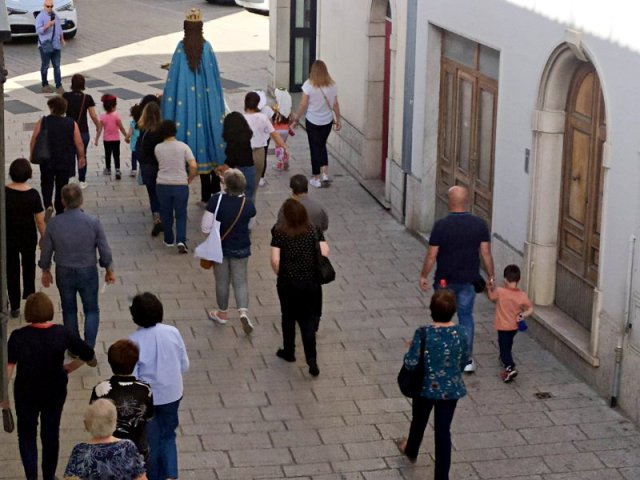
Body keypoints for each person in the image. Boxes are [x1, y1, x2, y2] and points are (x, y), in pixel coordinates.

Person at [1, 292, 96, 480]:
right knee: (50, 434)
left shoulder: (19, 336)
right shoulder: (62, 333)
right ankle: (49, 476)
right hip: (54, 391)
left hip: (26, 393)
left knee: (26, 436)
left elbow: (8, 369)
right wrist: (70, 367)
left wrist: (4, 399)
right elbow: (88, 354)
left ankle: (31, 477)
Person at [419, 185, 495, 373]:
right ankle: (466, 359)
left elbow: (431, 255)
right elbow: (486, 253)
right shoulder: (479, 224)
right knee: (466, 317)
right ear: (466, 200)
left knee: (442, 318)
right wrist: (491, 276)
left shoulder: (441, 225)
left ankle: (440, 355)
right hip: (468, 280)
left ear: (449, 202)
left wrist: (424, 275)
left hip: (445, 280)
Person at [396, 289, 468, 479]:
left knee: (419, 419)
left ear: (431, 310)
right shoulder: (461, 332)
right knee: (443, 432)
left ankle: (411, 449)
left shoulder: (423, 333)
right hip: (451, 390)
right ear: (453, 311)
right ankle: (442, 476)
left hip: (424, 388)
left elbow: (411, 363)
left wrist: (411, 349)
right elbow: (464, 359)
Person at [38, 183, 116, 348]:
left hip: (63, 270)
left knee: (69, 309)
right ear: (81, 200)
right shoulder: (93, 222)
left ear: (62, 201)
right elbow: (104, 249)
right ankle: (88, 346)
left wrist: (45, 269)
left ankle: (73, 347)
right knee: (91, 309)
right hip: (87, 269)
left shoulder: (54, 224)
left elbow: (46, 250)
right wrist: (109, 269)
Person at [162, 8, 225, 207]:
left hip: (186, 109)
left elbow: (172, 83)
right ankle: (212, 195)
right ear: (200, 27)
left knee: (197, 147)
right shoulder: (207, 48)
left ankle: (205, 197)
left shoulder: (180, 50)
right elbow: (215, 80)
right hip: (207, 107)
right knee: (210, 142)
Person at [129, 292, 189, 480]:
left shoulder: (134, 341)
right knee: (169, 435)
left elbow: (133, 377)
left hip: (149, 400)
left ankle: (154, 476)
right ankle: (171, 474)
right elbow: (184, 364)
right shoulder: (173, 332)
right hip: (172, 393)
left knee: (151, 441)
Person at [270, 198, 329, 377]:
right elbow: (325, 251)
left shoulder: (279, 233)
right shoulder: (313, 230)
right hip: (310, 282)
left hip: (288, 283)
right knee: (308, 321)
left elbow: (275, 259)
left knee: (288, 317)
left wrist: (281, 274)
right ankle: (312, 360)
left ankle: (289, 351)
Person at [204, 169, 257, 334]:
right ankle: (243, 312)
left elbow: (205, 227)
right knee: (240, 282)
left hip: (219, 248)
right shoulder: (248, 204)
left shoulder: (216, 201)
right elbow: (250, 226)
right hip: (241, 247)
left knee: (222, 281)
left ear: (225, 184)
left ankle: (222, 313)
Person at [90, 340, 154, 459]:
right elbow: (149, 416)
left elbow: (94, 416)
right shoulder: (145, 389)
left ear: (110, 362)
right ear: (135, 363)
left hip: (108, 446)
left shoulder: (100, 389)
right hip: (137, 446)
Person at [30, 95, 85, 217]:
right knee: (62, 184)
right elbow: (79, 142)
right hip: (64, 159)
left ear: (52, 108)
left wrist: (32, 154)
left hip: (46, 158)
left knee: (46, 182)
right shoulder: (71, 123)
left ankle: (48, 204)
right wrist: (81, 157)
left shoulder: (43, 121)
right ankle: (59, 209)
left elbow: (34, 138)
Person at [64, 399, 147, 480]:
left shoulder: (80, 450)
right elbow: (141, 478)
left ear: (88, 424)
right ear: (114, 421)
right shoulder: (127, 447)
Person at [5, 158, 45, 319]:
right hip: (28, 237)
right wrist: (44, 238)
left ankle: (14, 306)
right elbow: (40, 220)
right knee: (29, 269)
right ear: (29, 174)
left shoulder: (4, 192)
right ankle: (30, 302)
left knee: (11, 271)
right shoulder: (33, 194)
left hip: (9, 238)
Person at [292, 60, 341, 188]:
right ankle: (324, 173)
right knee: (322, 145)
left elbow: (303, 104)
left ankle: (316, 177)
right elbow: (335, 104)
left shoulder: (308, 85)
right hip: (327, 121)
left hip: (313, 121)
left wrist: (297, 118)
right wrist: (338, 119)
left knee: (314, 148)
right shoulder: (332, 85)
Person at [154, 119, 198, 253]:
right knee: (181, 213)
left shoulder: (158, 148)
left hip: (162, 184)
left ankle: (168, 239)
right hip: (180, 184)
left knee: (166, 213)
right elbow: (193, 165)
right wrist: (190, 177)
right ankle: (181, 240)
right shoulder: (183, 147)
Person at [486, 264, 534, 383]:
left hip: (502, 326)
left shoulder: (500, 291)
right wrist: (522, 315)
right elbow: (530, 308)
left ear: (505, 279)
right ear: (519, 280)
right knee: (508, 343)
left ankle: (509, 367)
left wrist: (489, 287)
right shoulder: (522, 295)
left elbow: (491, 297)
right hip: (514, 326)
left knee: (504, 347)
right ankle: (504, 359)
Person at [243, 91, 289, 197]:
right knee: (254, 188)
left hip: (245, 153)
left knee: (243, 184)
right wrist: (285, 147)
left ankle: (242, 205)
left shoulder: (241, 118)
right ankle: (250, 204)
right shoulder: (263, 118)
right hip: (259, 152)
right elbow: (275, 134)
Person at [63, 74, 100, 189]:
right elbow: (93, 115)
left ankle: (71, 178)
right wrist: (98, 126)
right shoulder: (87, 98)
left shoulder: (65, 96)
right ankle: (82, 180)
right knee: (82, 155)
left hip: (69, 130)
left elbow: (61, 112)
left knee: (70, 155)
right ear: (83, 84)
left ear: (72, 84)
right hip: (83, 131)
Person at [137, 101, 164, 237]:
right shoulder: (162, 130)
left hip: (147, 165)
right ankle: (165, 215)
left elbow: (140, 149)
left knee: (152, 192)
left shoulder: (143, 129)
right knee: (162, 191)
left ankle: (157, 216)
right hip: (161, 165)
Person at [222, 111, 256, 201]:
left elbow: (231, 159)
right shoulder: (246, 137)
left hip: (236, 172)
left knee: (234, 196)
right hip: (250, 168)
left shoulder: (231, 142)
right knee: (249, 196)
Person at [95, 93, 128, 180]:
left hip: (106, 140)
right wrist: (126, 136)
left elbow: (99, 129)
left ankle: (108, 168)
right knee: (116, 154)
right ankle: (117, 169)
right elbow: (121, 127)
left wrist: (96, 139)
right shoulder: (116, 115)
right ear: (114, 106)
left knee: (108, 154)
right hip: (116, 139)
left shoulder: (102, 117)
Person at [35, 0, 65, 94]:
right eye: (48, 6)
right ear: (44, 6)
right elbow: (38, 30)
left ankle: (59, 85)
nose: (50, 8)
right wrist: (47, 25)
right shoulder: (40, 16)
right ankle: (45, 84)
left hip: (56, 45)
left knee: (57, 66)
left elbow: (59, 29)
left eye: (51, 6)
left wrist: (62, 39)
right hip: (45, 45)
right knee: (45, 66)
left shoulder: (55, 15)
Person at [125, 103, 143, 177]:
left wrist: (126, 138)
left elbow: (129, 133)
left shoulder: (133, 124)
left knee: (134, 158)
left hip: (134, 145)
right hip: (142, 144)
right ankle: (142, 169)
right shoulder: (143, 123)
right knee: (142, 158)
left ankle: (134, 170)